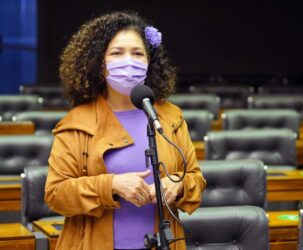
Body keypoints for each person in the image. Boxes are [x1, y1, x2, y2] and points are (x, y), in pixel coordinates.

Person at [44, 10, 206, 250]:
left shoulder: (170, 116)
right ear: (100, 65)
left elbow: (195, 178)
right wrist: (112, 185)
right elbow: (56, 194)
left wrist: (178, 184)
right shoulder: (77, 122)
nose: (128, 61)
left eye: (137, 53)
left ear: (149, 63)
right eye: (117, 53)